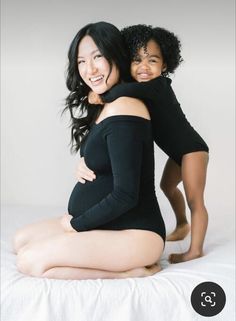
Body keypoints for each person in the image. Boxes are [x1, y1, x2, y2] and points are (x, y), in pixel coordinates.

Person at [13, 22, 166, 280]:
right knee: (21, 241)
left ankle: (131, 272)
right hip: (105, 225)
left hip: (135, 232)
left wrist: (75, 225)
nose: (89, 69)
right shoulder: (107, 103)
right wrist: (85, 161)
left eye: (98, 57)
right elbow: (110, 154)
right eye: (81, 61)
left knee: (30, 262)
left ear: (116, 55)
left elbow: (126, 195)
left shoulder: (125, 107)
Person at [79, 24, 209, 264]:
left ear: (165, 65)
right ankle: (182, 224)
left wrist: (102, 95)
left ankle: (195, 249)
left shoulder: (159, 86)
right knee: (167, 187)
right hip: (176, 152)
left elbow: (124, 90)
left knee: (195, 199)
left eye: (152, 60)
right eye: (137, 60)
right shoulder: (141, 91)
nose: (144, 67)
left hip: (192, 150)